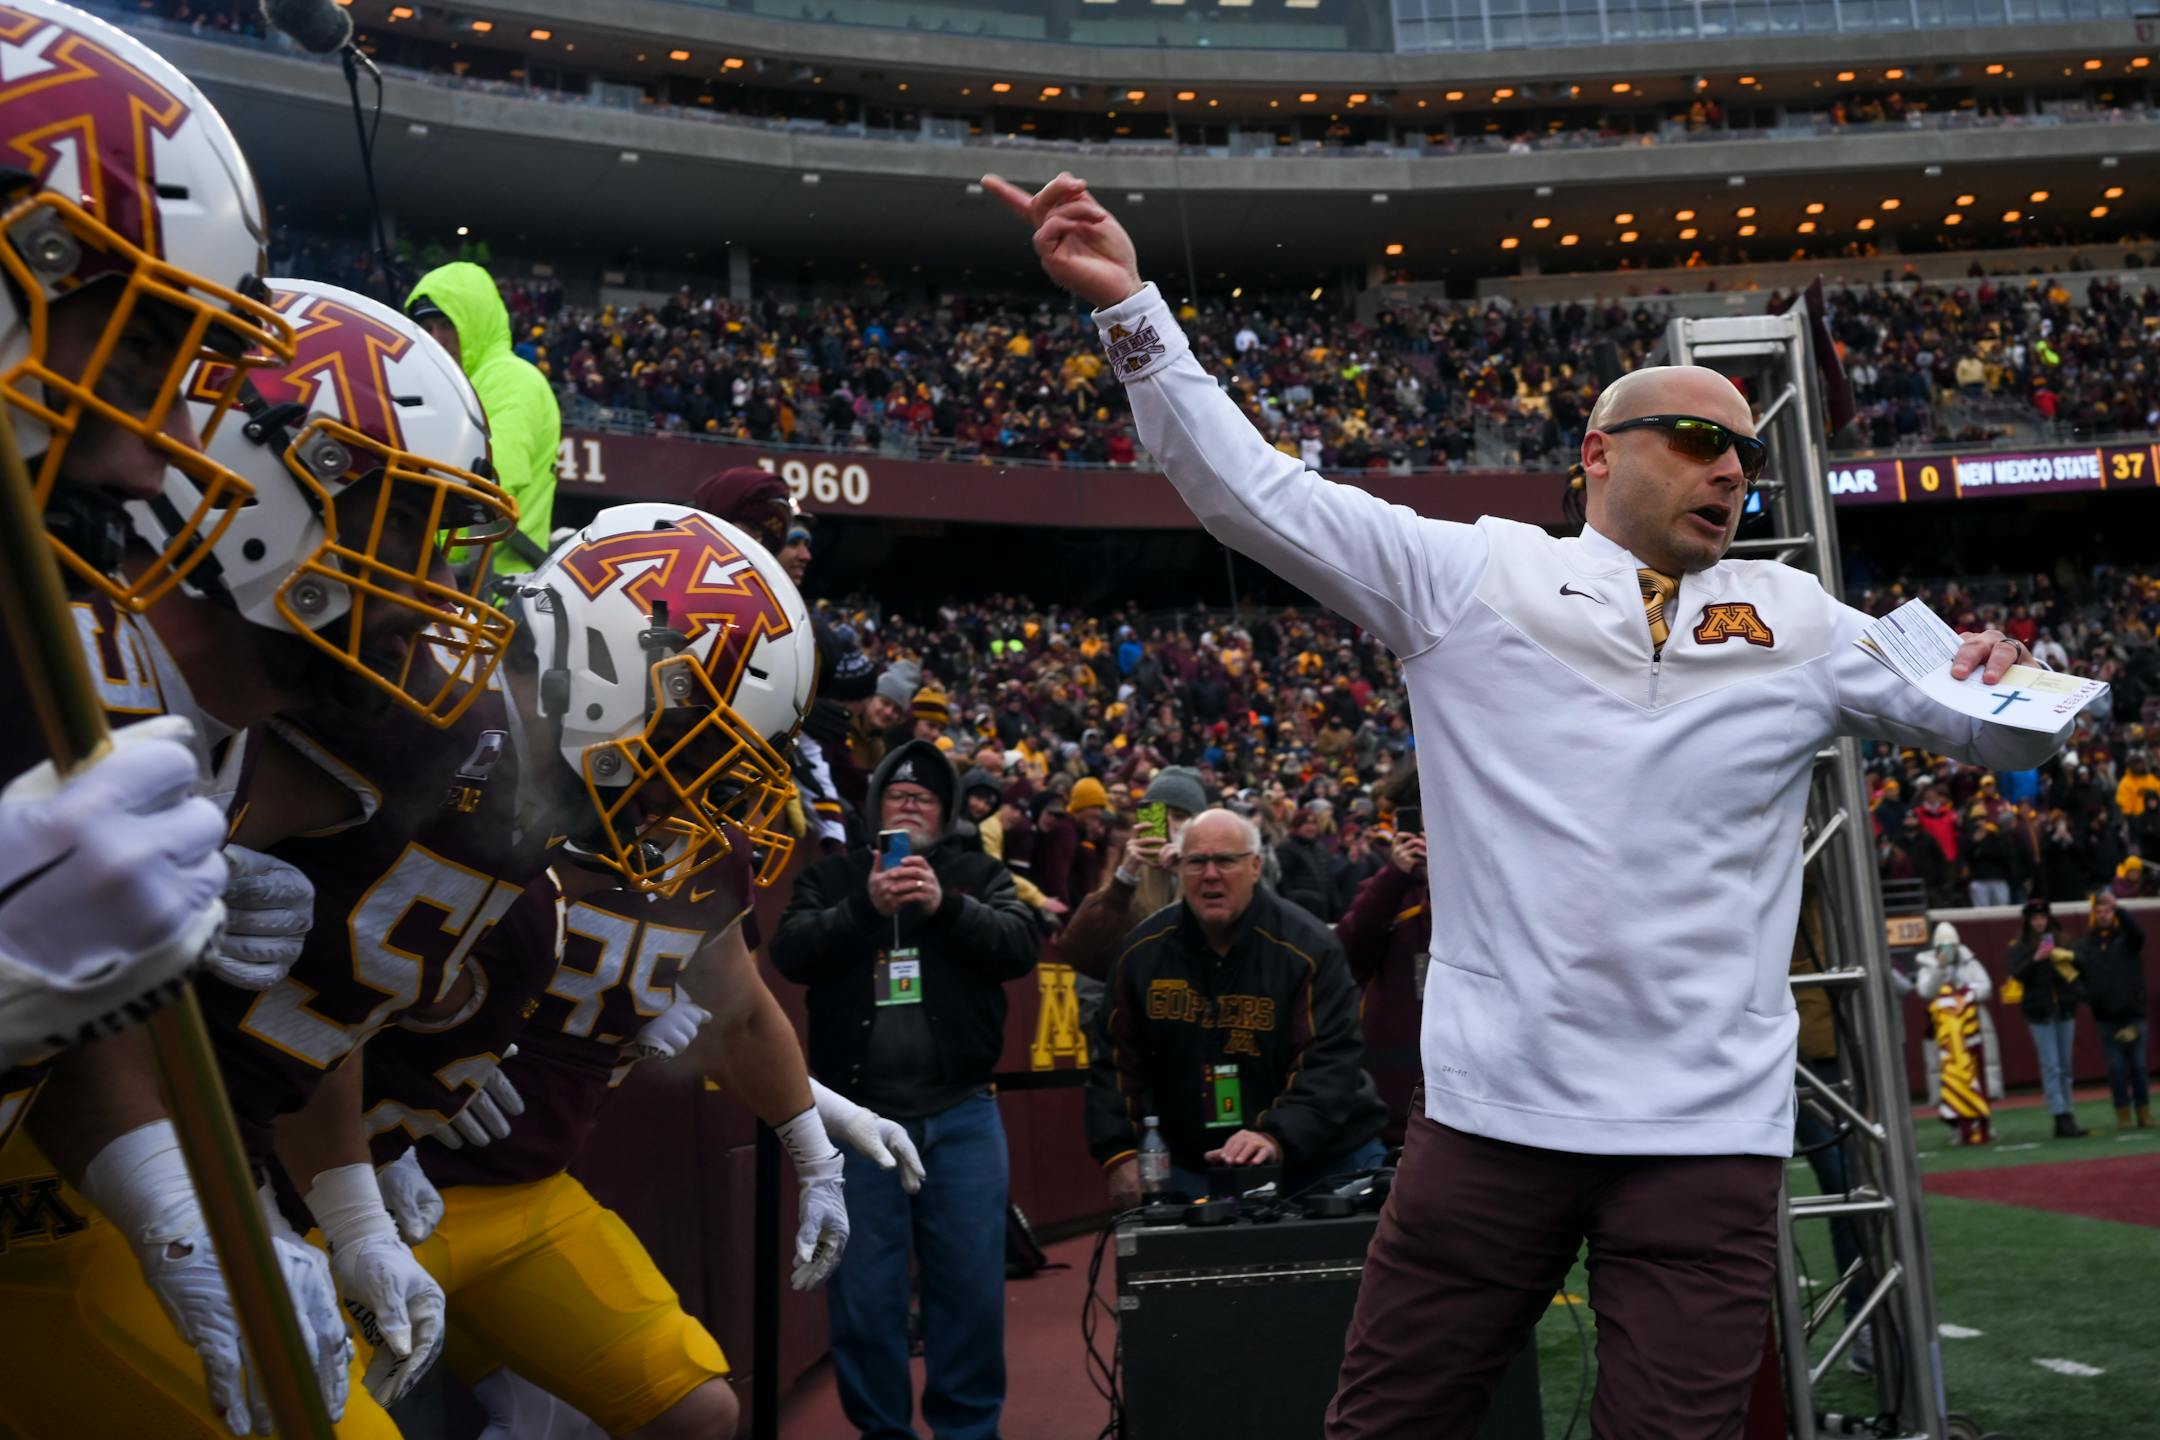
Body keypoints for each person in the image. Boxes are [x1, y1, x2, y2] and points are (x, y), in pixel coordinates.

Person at [986, 167, 2067, 1437]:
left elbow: (1995, 735)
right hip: (1498, 1119)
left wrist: (2010, 676)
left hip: (1707, 1132)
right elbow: (1253, 494)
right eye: (1700, 438)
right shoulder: (1472, 575)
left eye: (1749, 453)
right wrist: (1133, 315)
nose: (1732, 469)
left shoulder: (1804, 618)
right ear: (1599, 453)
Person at [772, 739, 1041, 1440]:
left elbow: (1019, 946)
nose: (913, 803)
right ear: (874, 810)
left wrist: (945, 906)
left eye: (926, 797)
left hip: (961, 1114)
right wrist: (864, 908)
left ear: (948, 813)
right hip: (858, 1125)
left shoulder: (978, 873)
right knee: (864, 1301)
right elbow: (791, 952)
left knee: (972, 1295)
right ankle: (882, 1433)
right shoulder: (831, 879)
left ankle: (968, 1432)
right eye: (899, 795)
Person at [1089, 807, 1387, 1204]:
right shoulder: (1141, 954)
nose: (1211, 874)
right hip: (1196, 1166)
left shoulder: (1309, 949)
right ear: (1178, 869)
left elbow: (1330, 1061)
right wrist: (1118, 1154)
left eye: (1226, 860)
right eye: (1196, 862)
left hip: (1323, 1160)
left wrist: (1275, 1136)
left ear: (1255, 866)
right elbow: (1113, 1061)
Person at [407, 260, 561, 578]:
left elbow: (489, 480)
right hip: (450, 585)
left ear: (474, 321)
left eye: (446, 324)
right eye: (427, 328)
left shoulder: (511, 377)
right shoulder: (454, 386)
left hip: (492, 596)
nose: (436, 338)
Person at [1335, 806, 1429, 1148]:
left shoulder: (1473, 886)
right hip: (1389, 1106)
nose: (1422, 843)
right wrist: (1396, 874)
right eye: (1415, 833)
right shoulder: (1388, 889)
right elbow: (1346, 950)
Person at [1060, 766, 1206, 982]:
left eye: (1180, 816)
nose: (1167, 826)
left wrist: (1189, 874)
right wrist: (1124, 879)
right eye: (1159, 815)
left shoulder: (1213, 873)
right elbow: (1080, 952)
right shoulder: (1129, 870)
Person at [2006, 897, 2090, 1139]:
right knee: (2051, 1066)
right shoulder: (2020, 946)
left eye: (2043, 917)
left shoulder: (2063, 940)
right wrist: (2036, 959)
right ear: (2028, 921)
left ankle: (2068, 1113)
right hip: (2039, 1013)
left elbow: (2081, 964)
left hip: (2063, 1009)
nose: (2040, 922)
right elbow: (2018, 974)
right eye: (2035, 918)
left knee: (2065, 1066)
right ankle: (2060, 1115)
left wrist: (2062, 955)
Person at [2075, 892, 2149, 1129]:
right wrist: (2089, 998)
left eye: (2108, 911)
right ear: (2094, 915)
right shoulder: (2086, 945)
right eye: (2100, 912)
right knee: (2116, 1068)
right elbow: (2076, 975)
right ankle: (2123, 1113)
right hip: (2106, 1017)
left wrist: (2120, 909)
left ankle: (2144, 1111)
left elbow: (2139, 934)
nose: (2104, 915)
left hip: (2133, 1014)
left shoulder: (2127, 938)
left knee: (2138, 1065)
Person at [1918, 921, 1995, 1146]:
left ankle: (1980, 1121)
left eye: (1951, 946)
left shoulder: (1969, 962)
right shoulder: (1929, 965)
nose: (1948, 951)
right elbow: (1925, 991)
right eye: (1943, 947)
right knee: (1949, 1080)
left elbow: (1986, 987)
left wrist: (1966, 993)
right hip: (1944, 1038)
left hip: (1970, 1033)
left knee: (1976, 1078)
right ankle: (1955, 1125)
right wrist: (1939, 970)